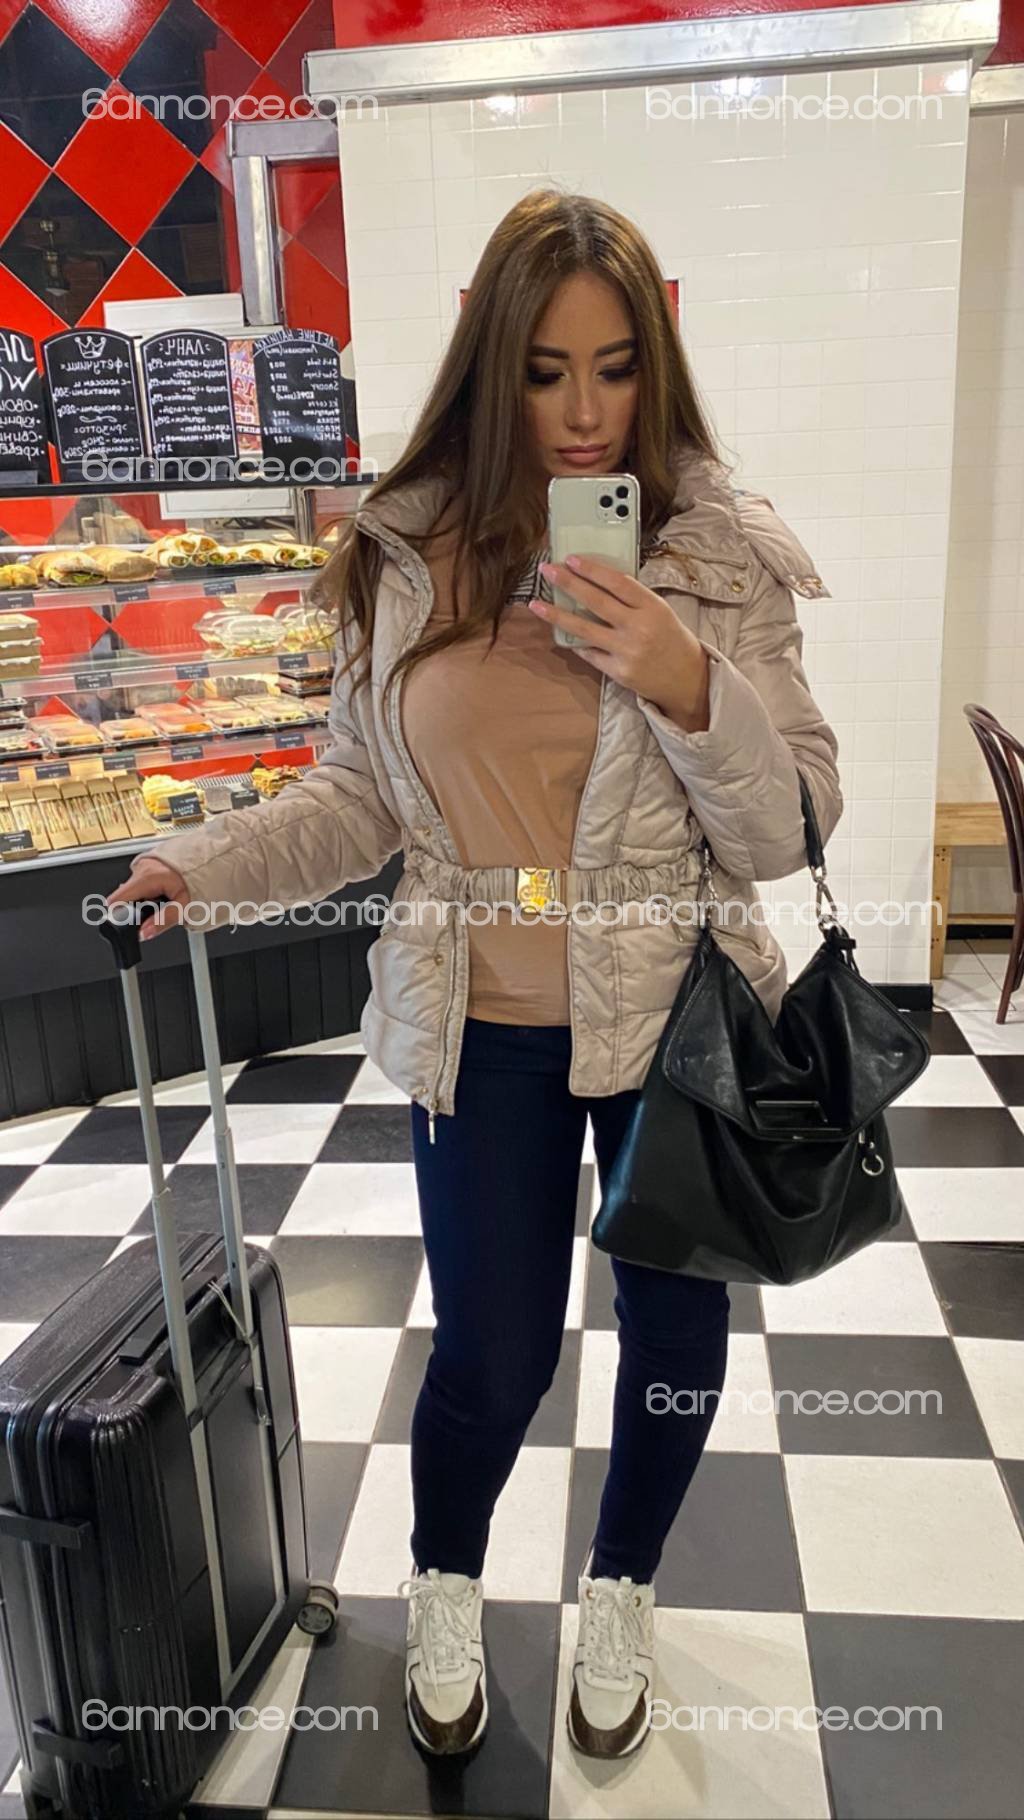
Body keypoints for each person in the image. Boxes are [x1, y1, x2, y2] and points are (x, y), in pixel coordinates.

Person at [107, 188, 842, 1764]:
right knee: (491, 1356)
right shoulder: (408, 553)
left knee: (674, 1344)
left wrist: (688, 679)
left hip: (677, 1019)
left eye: (616, 369)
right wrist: (204, 865)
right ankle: (446, 1579)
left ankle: (622, 1584)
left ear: (656, 369)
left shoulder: (717, 552)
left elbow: (788, 828)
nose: (584, 414)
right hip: (481, 1027)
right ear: (488, 366)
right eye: (545, 370)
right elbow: (355, 800)